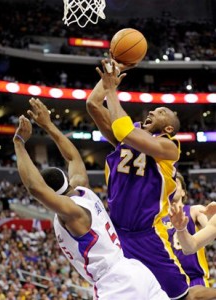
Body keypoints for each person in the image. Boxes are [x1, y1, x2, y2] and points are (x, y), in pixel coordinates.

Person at [13, 98, 170, 300]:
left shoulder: (71, 212)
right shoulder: (82, 189)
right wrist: (48, 125)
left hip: (115, 284)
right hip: (136, 270)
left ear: (51, 195)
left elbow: (35, 188)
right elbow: (73, 158)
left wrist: (19, 143)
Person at [86, 59, 200, 300]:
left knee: (181, 296)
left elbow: (123, 130)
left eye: (160, 112)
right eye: (153, 109)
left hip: (147, 236)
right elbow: (93, 104)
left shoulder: (168, 148)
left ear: (168, 128)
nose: (151, 111)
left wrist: (111, 89)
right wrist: (113, 72)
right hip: (115, 233)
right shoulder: (126, 136)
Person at [163, 173, 216, 299]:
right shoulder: (155, 220)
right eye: (168, 183)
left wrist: (211, 218)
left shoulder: (194, 210)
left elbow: (210, 227)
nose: (172, 186)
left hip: (194, 280)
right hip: (168, 282)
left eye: (175, 183)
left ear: (183, 192)